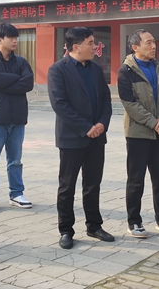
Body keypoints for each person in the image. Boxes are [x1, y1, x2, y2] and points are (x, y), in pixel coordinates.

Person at [47, 27, 113, 249]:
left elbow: (106, 99)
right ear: (76, 47)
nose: (95, 47)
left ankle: (94, 225)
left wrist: (102, 123)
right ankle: (66, 230)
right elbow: (60, 104)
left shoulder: (96, 70)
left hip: (97, 137)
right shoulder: (58, 70)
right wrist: (86, 128)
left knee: (92, 185)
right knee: (67, 186)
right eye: (91, 43)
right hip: (72, 138)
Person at [118, 29, 159, 239]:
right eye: (149, 42)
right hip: (138, 134)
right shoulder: (126, 71)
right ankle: (134, 221)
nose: (154, 46)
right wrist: (154, 122)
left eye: (154, 42)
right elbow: (130, 104)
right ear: (135, 47)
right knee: (136, 180)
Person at [0, 23, 34, 212]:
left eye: (16, 37)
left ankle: (16, 194)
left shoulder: (21, 62)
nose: (15, 41)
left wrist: (2, 82)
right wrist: (14, 78)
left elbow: (28, 83)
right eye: (11, 37)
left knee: (15, 161)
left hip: (17, 118)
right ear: (0, 39)